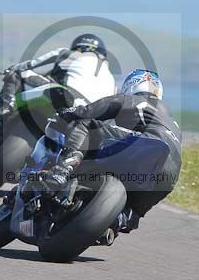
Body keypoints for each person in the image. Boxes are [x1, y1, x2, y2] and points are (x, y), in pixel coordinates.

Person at [42, 69, 182, 234]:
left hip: (146, 145)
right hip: (170, 175)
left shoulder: (135, 99)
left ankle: (63, 170)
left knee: (85, 124)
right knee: (130, 211)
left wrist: (67, 114)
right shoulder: (171, 119)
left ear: (131, 85)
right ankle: (120, 219)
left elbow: (91, 111)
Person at [0, 33, 116, 134]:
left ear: (79, 47)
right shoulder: (112, 79)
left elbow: (32, 64)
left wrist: (13, 68)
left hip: (68, 98)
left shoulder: (70, 54)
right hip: (92, 119)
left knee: (16, 75)